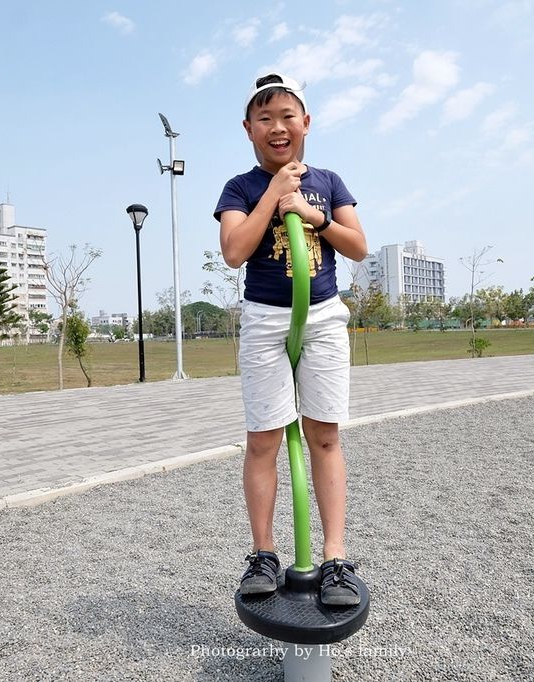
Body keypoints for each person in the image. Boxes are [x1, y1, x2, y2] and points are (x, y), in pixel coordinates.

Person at [213, 73, 368, 606]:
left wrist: (311, 213)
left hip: (321, 316)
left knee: (323, 435)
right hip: (265, 319)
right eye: (264, 119)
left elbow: (358, 246)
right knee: (264, 439)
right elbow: (234, 251)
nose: (277, 127)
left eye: (286, 116)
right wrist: (276, 194)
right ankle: (262, 554)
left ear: (305, 122)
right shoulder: (240, 187)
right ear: (248, 129)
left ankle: (335, 559)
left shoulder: (328, 179)